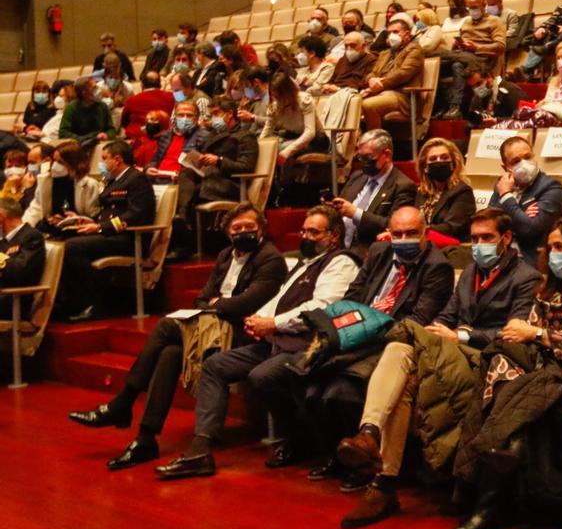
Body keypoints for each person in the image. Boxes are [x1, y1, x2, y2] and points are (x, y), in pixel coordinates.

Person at [335, 208, 541, 529]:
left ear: (507, 238)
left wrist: (461, 334)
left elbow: (514, 332)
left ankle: (378, 461)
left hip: (487, 358)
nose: (478, 244)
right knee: (401, 360)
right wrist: (437, 330)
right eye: (474, 238)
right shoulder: (471, 272)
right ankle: (375, 452)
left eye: (487, 238)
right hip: (449, 351)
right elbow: (447, 314)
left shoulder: (526, 277)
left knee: (401, 348)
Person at [66, 203, 286, 470]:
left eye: (249, 228)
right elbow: (202, 296)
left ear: (260, 228)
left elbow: (247, 303)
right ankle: (145, 439)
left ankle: (122, 403)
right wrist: (214, 304)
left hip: (241, 332)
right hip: (209, 326)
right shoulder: (226, 255)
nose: (243, 232)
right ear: (228, 232)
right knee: (170, 353)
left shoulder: (270, 258)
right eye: (236, 228)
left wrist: (216, 304)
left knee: (165, 326)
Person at [449, 219, 562, 529]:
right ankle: (493, 493)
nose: (553, 254)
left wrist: (540, 333)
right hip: (545, 372)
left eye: (561, 247)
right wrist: (533, 336)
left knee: (516, 393)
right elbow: (521, 335)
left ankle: (485, 501)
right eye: (551, 248)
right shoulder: (548, 288)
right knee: (502, 357)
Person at [154, 205, 360, 480]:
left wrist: (273, 324)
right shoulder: (304, 263)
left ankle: (300, 438)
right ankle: (200, 450)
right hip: (276, 340)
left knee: (261, 376)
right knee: (215, 365)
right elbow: (278, 299)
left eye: (314, 232)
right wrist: (258, 320)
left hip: (308, 345)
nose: (306, 236)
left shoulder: (340, 262)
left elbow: (321, 308)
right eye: (304, 230)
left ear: (334, 236)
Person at [295, 206, 454, 491]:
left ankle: (364, 465)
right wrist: (352, 326)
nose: (403, 239)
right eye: (398, 233)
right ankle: (337, 454)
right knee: (311, 389)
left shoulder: (436, 266)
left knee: (340, 393)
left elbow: (416, 321)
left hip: (391, 341)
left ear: (426, 233)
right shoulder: (380, 253)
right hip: (357, 333)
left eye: (411, 233)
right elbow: (353, 296)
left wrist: (367, 326)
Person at [53, 141, 156, 321]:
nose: (101, 163)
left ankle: (92, 303)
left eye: (104, 159)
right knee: (60, 240)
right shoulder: (113, 181)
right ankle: (65, 302)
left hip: (129, 239)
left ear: (117, 159)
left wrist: (100, 227)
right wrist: (85, 221)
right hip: (111, 235)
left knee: (72, 247)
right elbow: (107, 213)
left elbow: (137, 214)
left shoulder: (136, 179)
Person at [174, 99, 259, 244]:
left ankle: (183, 229)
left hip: (230, 183)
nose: (213, 118)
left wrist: (219, 161)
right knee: (186, 173)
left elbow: (246, 167)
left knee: (194, 189)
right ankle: (182, 218)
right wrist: (198, 160)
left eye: (216, 113)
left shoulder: (245, 136)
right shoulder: (213, 134)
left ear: (229, 114)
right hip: (208, 177)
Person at [329, 130, 417, 252]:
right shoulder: (357, 177)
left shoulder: (403, 186)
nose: (363, 162)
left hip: (369, 252)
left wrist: (356, 213)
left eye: (368, 157)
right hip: (338, 249)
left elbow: (394, 226)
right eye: (360, 157)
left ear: (386, 155)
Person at [487, 136, 562, 265]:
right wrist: (522, 214)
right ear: (505, 167)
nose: (524, 164)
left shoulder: (552, 188)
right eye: (516, 161)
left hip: (531, 260)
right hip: (500, 256)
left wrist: (506, 196)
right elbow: (489, 223)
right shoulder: (502, 185)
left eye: (528, 157)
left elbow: (529, 230)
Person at [497, 41, 562, 128]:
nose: (560, 61)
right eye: (558, 58)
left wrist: (557, 106)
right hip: (545, 123)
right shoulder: (554, 81)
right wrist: (541, 106)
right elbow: (548, 106)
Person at [440, 0, 506, 120]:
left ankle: (455, 106)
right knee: (445, 66)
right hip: (465, 56)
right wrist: (458, 44)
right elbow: (462, 42)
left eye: (475, 7)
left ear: (483, 4)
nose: (472, 10)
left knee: (453, 61)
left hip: (483, 60)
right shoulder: (466, 23)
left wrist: (476, 47)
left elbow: (500, 47)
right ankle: (443, 106)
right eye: (469, 8)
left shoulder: (495, 22)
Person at [361, 14, 426, 130]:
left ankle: (376, 141)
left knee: (368, 105)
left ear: (407, 33)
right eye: (389, 33)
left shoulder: (414, 49)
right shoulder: (385, 53)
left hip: (403, 96)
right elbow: (372, 72)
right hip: (381, 92)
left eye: (395, 32)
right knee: (351, 103)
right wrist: (371, 79)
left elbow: (404, 73)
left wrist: (380, 85)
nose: (391, 36)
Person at [23, 140, 102, 233]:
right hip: (50, 227)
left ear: (73, 163)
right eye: (54, 161)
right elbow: (36, 208)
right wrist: (23, 229)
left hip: (78, 230)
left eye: (60, 162)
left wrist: (75, 219)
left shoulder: (89, 185)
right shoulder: (45, 180)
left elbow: (94, 216)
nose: (55, 165)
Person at [261, 72, 327, 175]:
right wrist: (260, 146)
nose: (277, 100)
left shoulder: (304, 100)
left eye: (279, 97)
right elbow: (267, 131)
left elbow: (310, 133)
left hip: (315, 141)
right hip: (291, 137)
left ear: (288, 92)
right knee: (267, 145)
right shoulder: (274, 107)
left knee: (281, 148)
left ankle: (285, 186)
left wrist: (287, 151)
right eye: (275, 97)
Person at [413, 138, 475, 245]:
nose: (439, 161)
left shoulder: (462, 191)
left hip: (452, 249)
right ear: (425, 168)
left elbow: (450, 228)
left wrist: (414, 231)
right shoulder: (422, 192)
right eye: (433, 159)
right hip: (423, 245)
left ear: (453, 163)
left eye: (444, 157)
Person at [146, 101, 207, 183]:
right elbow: (156, 159)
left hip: (181, 182)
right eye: (181, 115)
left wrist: (183, 177)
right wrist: (149, 168)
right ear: (175, 117)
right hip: (157, 178)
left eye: (189, 115)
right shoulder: (166, 135)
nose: (184, 118)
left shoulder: (204, 137)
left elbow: (203, 169)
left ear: (196, 118)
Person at [59, 76, 116, 146]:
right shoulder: (72, 107)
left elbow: (111, 129)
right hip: (78, 144)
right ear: (84, 93)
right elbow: (63, 133)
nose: (98, 90)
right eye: (94, 88)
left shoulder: (102, 106)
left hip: (99, 143)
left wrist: (107, 135)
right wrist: (85, 139)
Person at [120, 71, 175, 141]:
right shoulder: (172, 96)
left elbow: (124, 121)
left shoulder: (132, 100)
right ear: (160, 84)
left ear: (142, 84)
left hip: (138, 136)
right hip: (165, 134)